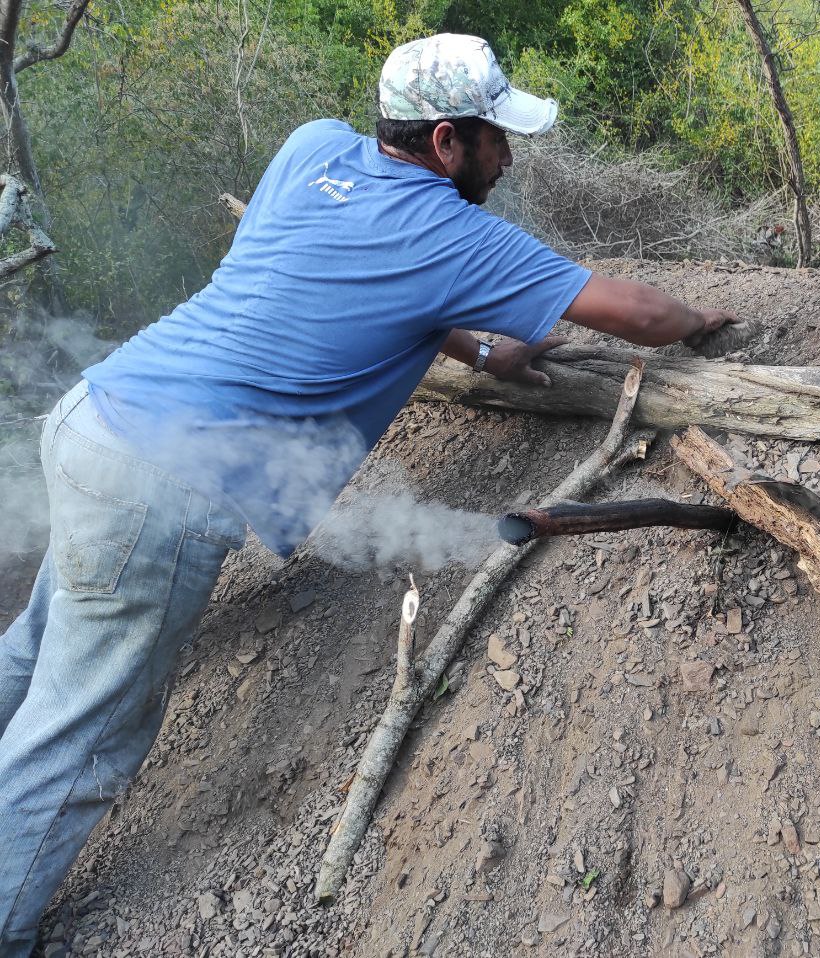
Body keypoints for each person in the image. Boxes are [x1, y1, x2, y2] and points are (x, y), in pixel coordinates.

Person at [0, 32, 738, 954]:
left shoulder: (311, 144)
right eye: (494, 137)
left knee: (42, 644)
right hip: (163, 481)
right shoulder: (450, 230)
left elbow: (326, 281)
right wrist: (701, 317)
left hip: (96, 417)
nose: (508, 157)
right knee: (85, 733)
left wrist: (476, 347)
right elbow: (639, 316)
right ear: (444, 143)